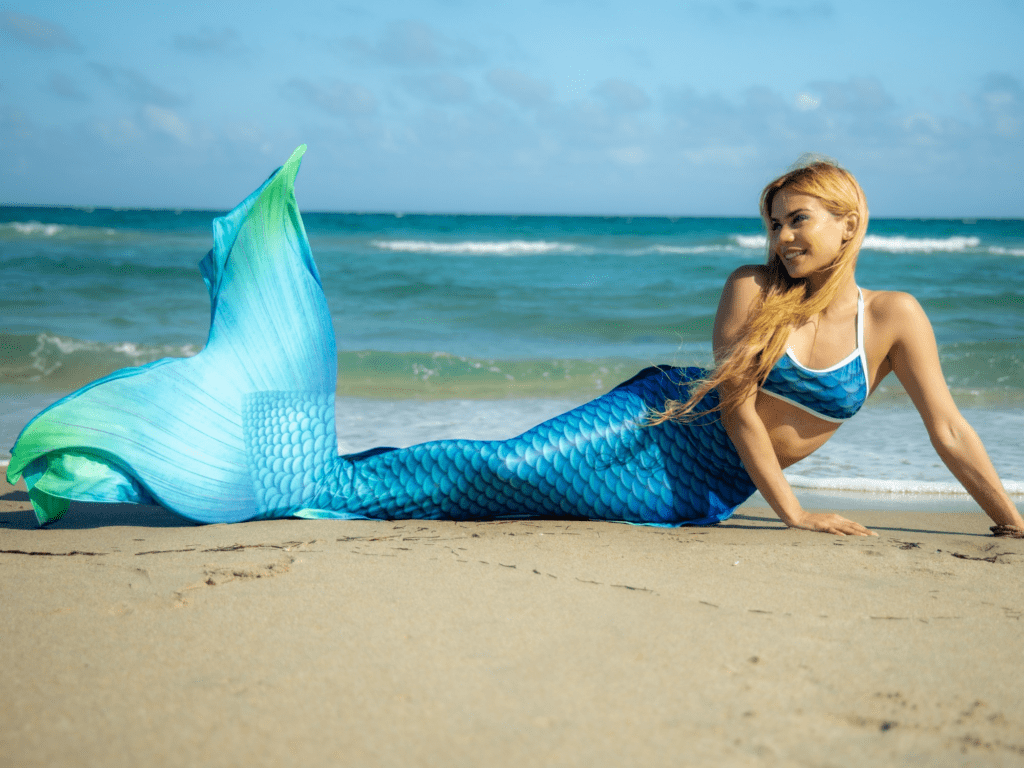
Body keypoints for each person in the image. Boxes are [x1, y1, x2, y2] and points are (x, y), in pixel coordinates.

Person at [7, 148, 1023, 537]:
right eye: (775, 219)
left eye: (802, 219)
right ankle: (300, 481)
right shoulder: (749, 287)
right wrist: (799, 516)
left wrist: (1010, 520)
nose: (783, 236)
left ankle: (330, 479)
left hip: (701, 493)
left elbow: (949, 431)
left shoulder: (893, 318)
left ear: (851, 223)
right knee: (496, 467)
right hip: (661, 425)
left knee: (499, 492)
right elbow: (741, 408)